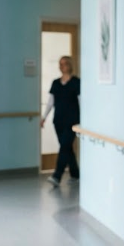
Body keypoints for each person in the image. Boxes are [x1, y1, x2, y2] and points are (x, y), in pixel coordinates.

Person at [41, 55, 80, 186]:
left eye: (63, 64)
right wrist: (44, 117)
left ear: (69, 65)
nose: (61, 66)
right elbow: (50, 102)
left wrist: (85, 120)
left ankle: (57, 176)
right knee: (66, 148)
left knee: (64, 147)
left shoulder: (76, 82)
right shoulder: (55, 83)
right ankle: (75, 174)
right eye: (60, 64)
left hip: (73, 122)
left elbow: (82, 102)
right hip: (58, 121)